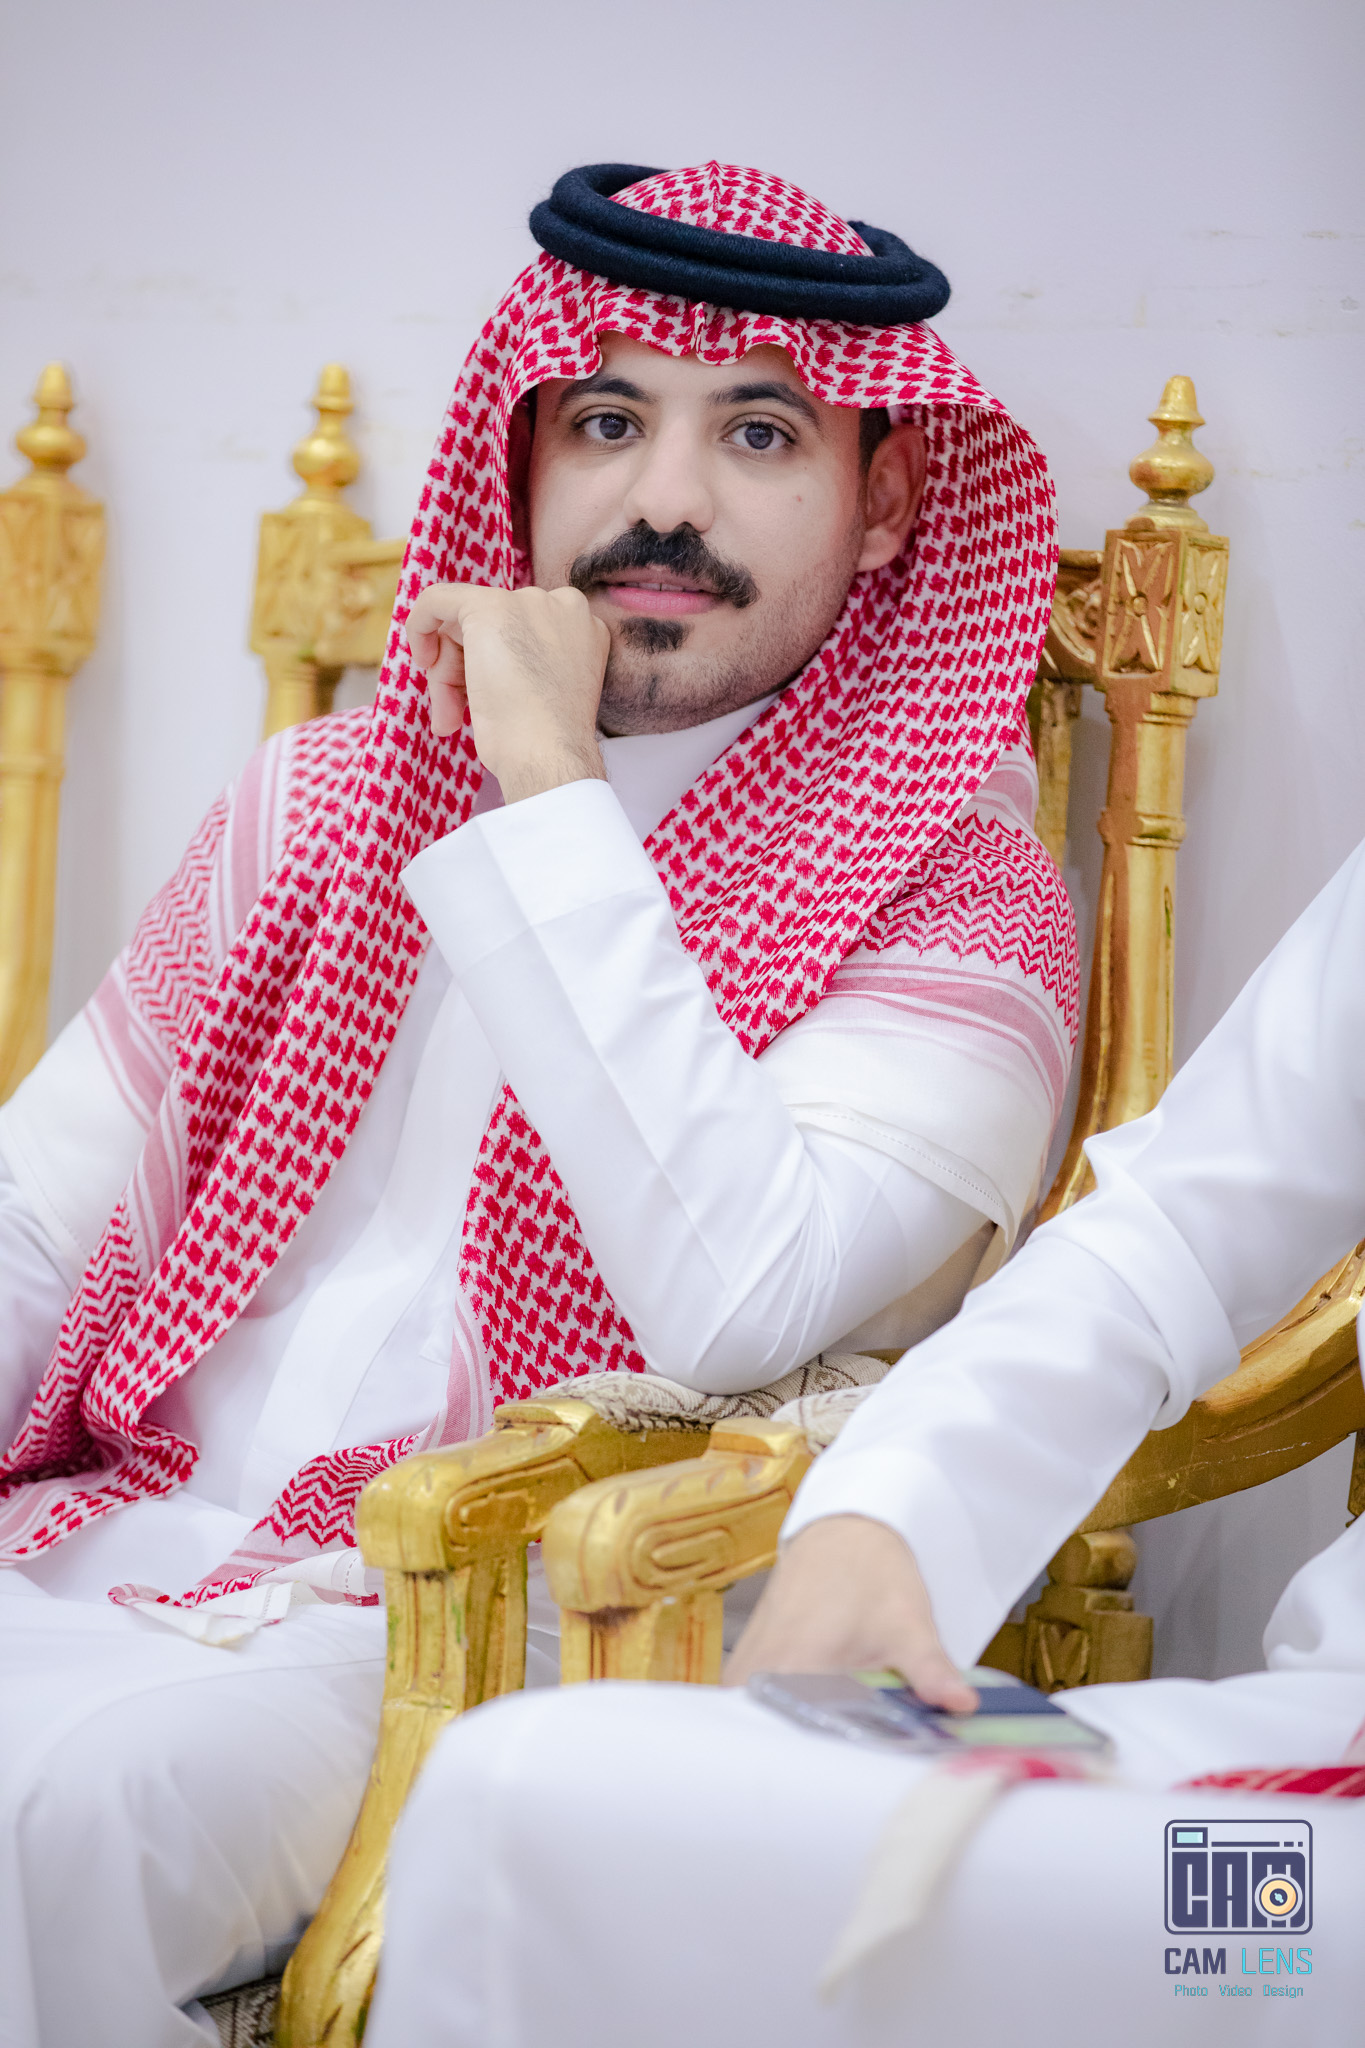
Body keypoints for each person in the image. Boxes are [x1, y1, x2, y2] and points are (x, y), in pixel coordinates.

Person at [0, 162, 1076, 2045]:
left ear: (890, 499)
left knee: (73, 1812)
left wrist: (545, 779)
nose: (667, 500)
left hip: (506, 1624)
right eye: (606, 421)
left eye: (759, 432)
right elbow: (40, 1216)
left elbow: (740, 1298)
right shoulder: (320, 801)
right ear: (526, 459)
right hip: (119, 1536)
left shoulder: (959, 899)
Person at [367, 837, 1365, 2048]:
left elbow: (740, 1296)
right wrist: (884, 1514)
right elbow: (1163, 1236)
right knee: (519, 1796)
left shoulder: (962, 880)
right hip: (1305, 1756)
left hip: (1312, 1871)